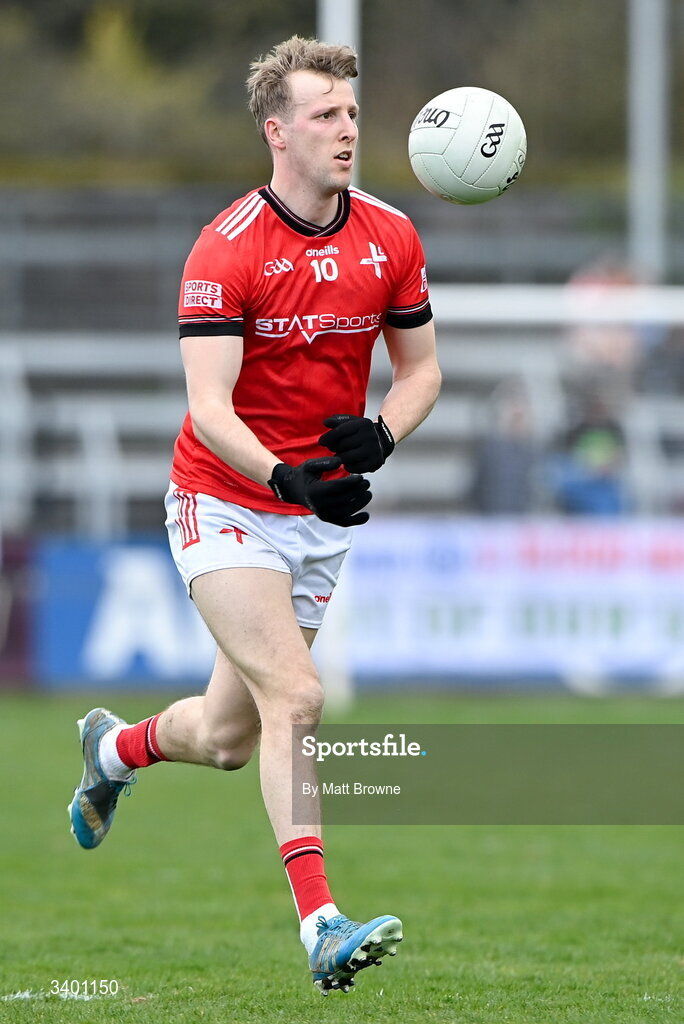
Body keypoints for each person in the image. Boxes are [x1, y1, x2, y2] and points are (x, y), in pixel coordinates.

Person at [68, 35, 441, 995]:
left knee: (232, 741)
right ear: (278, 132)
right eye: (325, 115)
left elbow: (423, 371)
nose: (346, 129)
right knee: (302, 697)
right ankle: (320, 922)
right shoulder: (226, 248)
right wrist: (290, 480)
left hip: (319, 517)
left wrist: (383, 435)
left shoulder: (391, 235)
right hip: (226, 499)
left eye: (352, 112)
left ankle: (113, 749)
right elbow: (209, 410)